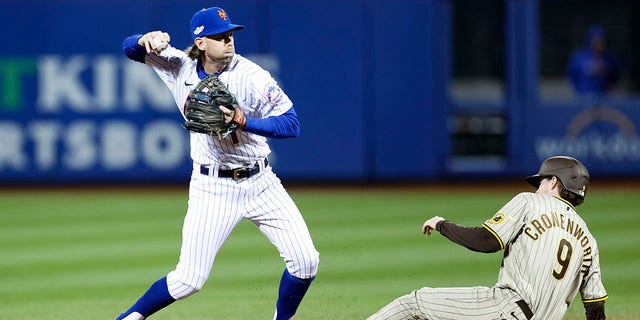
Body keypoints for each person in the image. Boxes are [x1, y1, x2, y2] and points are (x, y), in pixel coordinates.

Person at [116, 7, 319, 320]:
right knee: (188, 281)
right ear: (200, 43)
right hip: (211, 187)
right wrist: (145, 39)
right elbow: (129, 48)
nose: (229, 40)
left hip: (261, 183)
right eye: (219, 36)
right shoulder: (177, 65)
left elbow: (292, 124)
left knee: (306, 262)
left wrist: (243, 120)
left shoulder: (252, 76)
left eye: (230, 34)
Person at [368, 156, 607, 320]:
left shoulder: (530, 201)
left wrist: (442, 224)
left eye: (541, 180)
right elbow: (595, 306)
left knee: (414, 303)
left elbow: (487, 241)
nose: (537, 186)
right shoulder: (589, 240)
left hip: (504, 308)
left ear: (554, 181)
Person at [567, 24, 619, 99]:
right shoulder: (579, 57)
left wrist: (610, 91)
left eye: (601, 40)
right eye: (596, 40)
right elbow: (572, 76)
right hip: (583, 98)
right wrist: (578, 92)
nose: (599, 43)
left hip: (604, 99)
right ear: (590, 40)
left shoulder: (610, 58)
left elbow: (615, 76)